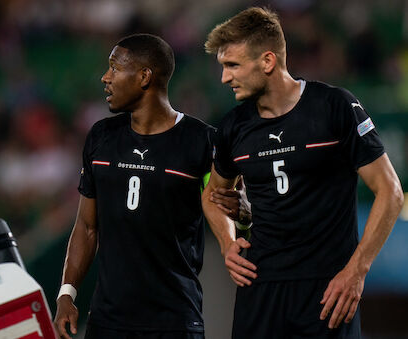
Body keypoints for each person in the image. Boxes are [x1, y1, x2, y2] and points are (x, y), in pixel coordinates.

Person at [202, 7, 404, 339]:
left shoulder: (335, 107)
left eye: (232, 65)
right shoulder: (232, 127)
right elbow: (212, 196)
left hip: (328, 291)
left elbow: (391, 192)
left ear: (267, 62)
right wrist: (227, 243)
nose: (225, 78)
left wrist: (357, 270)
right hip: (261, 288)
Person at [53, 33, 247, 339]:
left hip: (173, 321)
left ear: (144, 77)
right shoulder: (101, 138)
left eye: (115, 68)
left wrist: (231, 235)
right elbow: (87, 227)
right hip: (107, 321)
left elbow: (221, 200)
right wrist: (67, 293)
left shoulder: (203, 142)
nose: (105, 78)